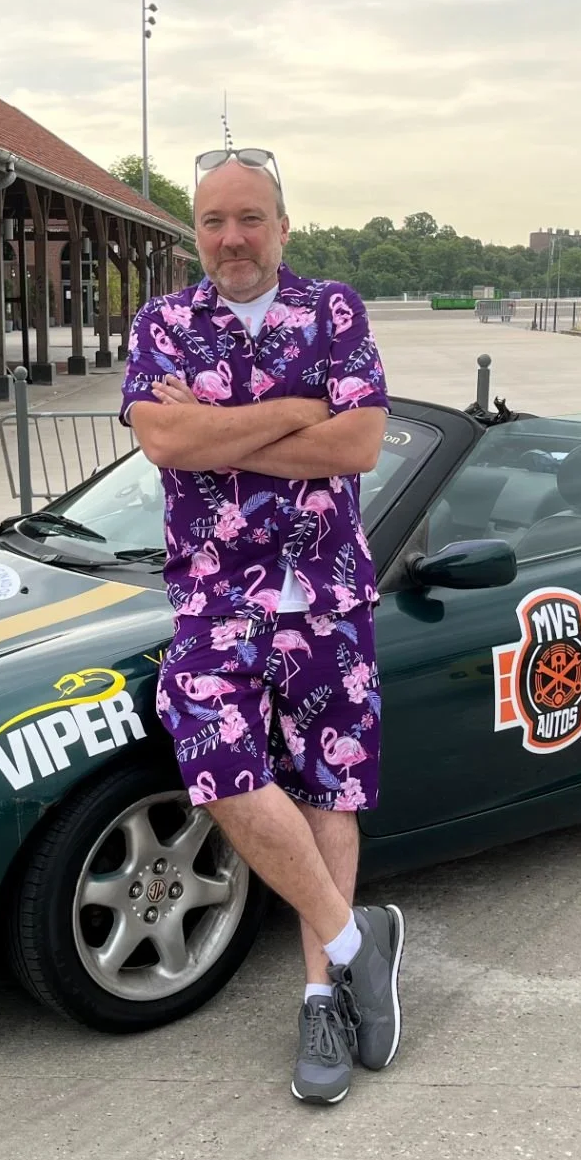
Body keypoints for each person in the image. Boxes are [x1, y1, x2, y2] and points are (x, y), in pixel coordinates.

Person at [122, 147, 403, 1105]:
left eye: (250, 218)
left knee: (330, 793)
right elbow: (163, 441)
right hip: (213, 596)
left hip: (328, 593)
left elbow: (361, 440)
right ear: (194, 232)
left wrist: (222, 431)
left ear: (283, 226)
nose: (232, 238)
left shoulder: (336, 310)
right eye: (213, 222)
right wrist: (295, 412)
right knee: (222, 769)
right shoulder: (163, 322)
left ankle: (322, 992)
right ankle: (362, 939)